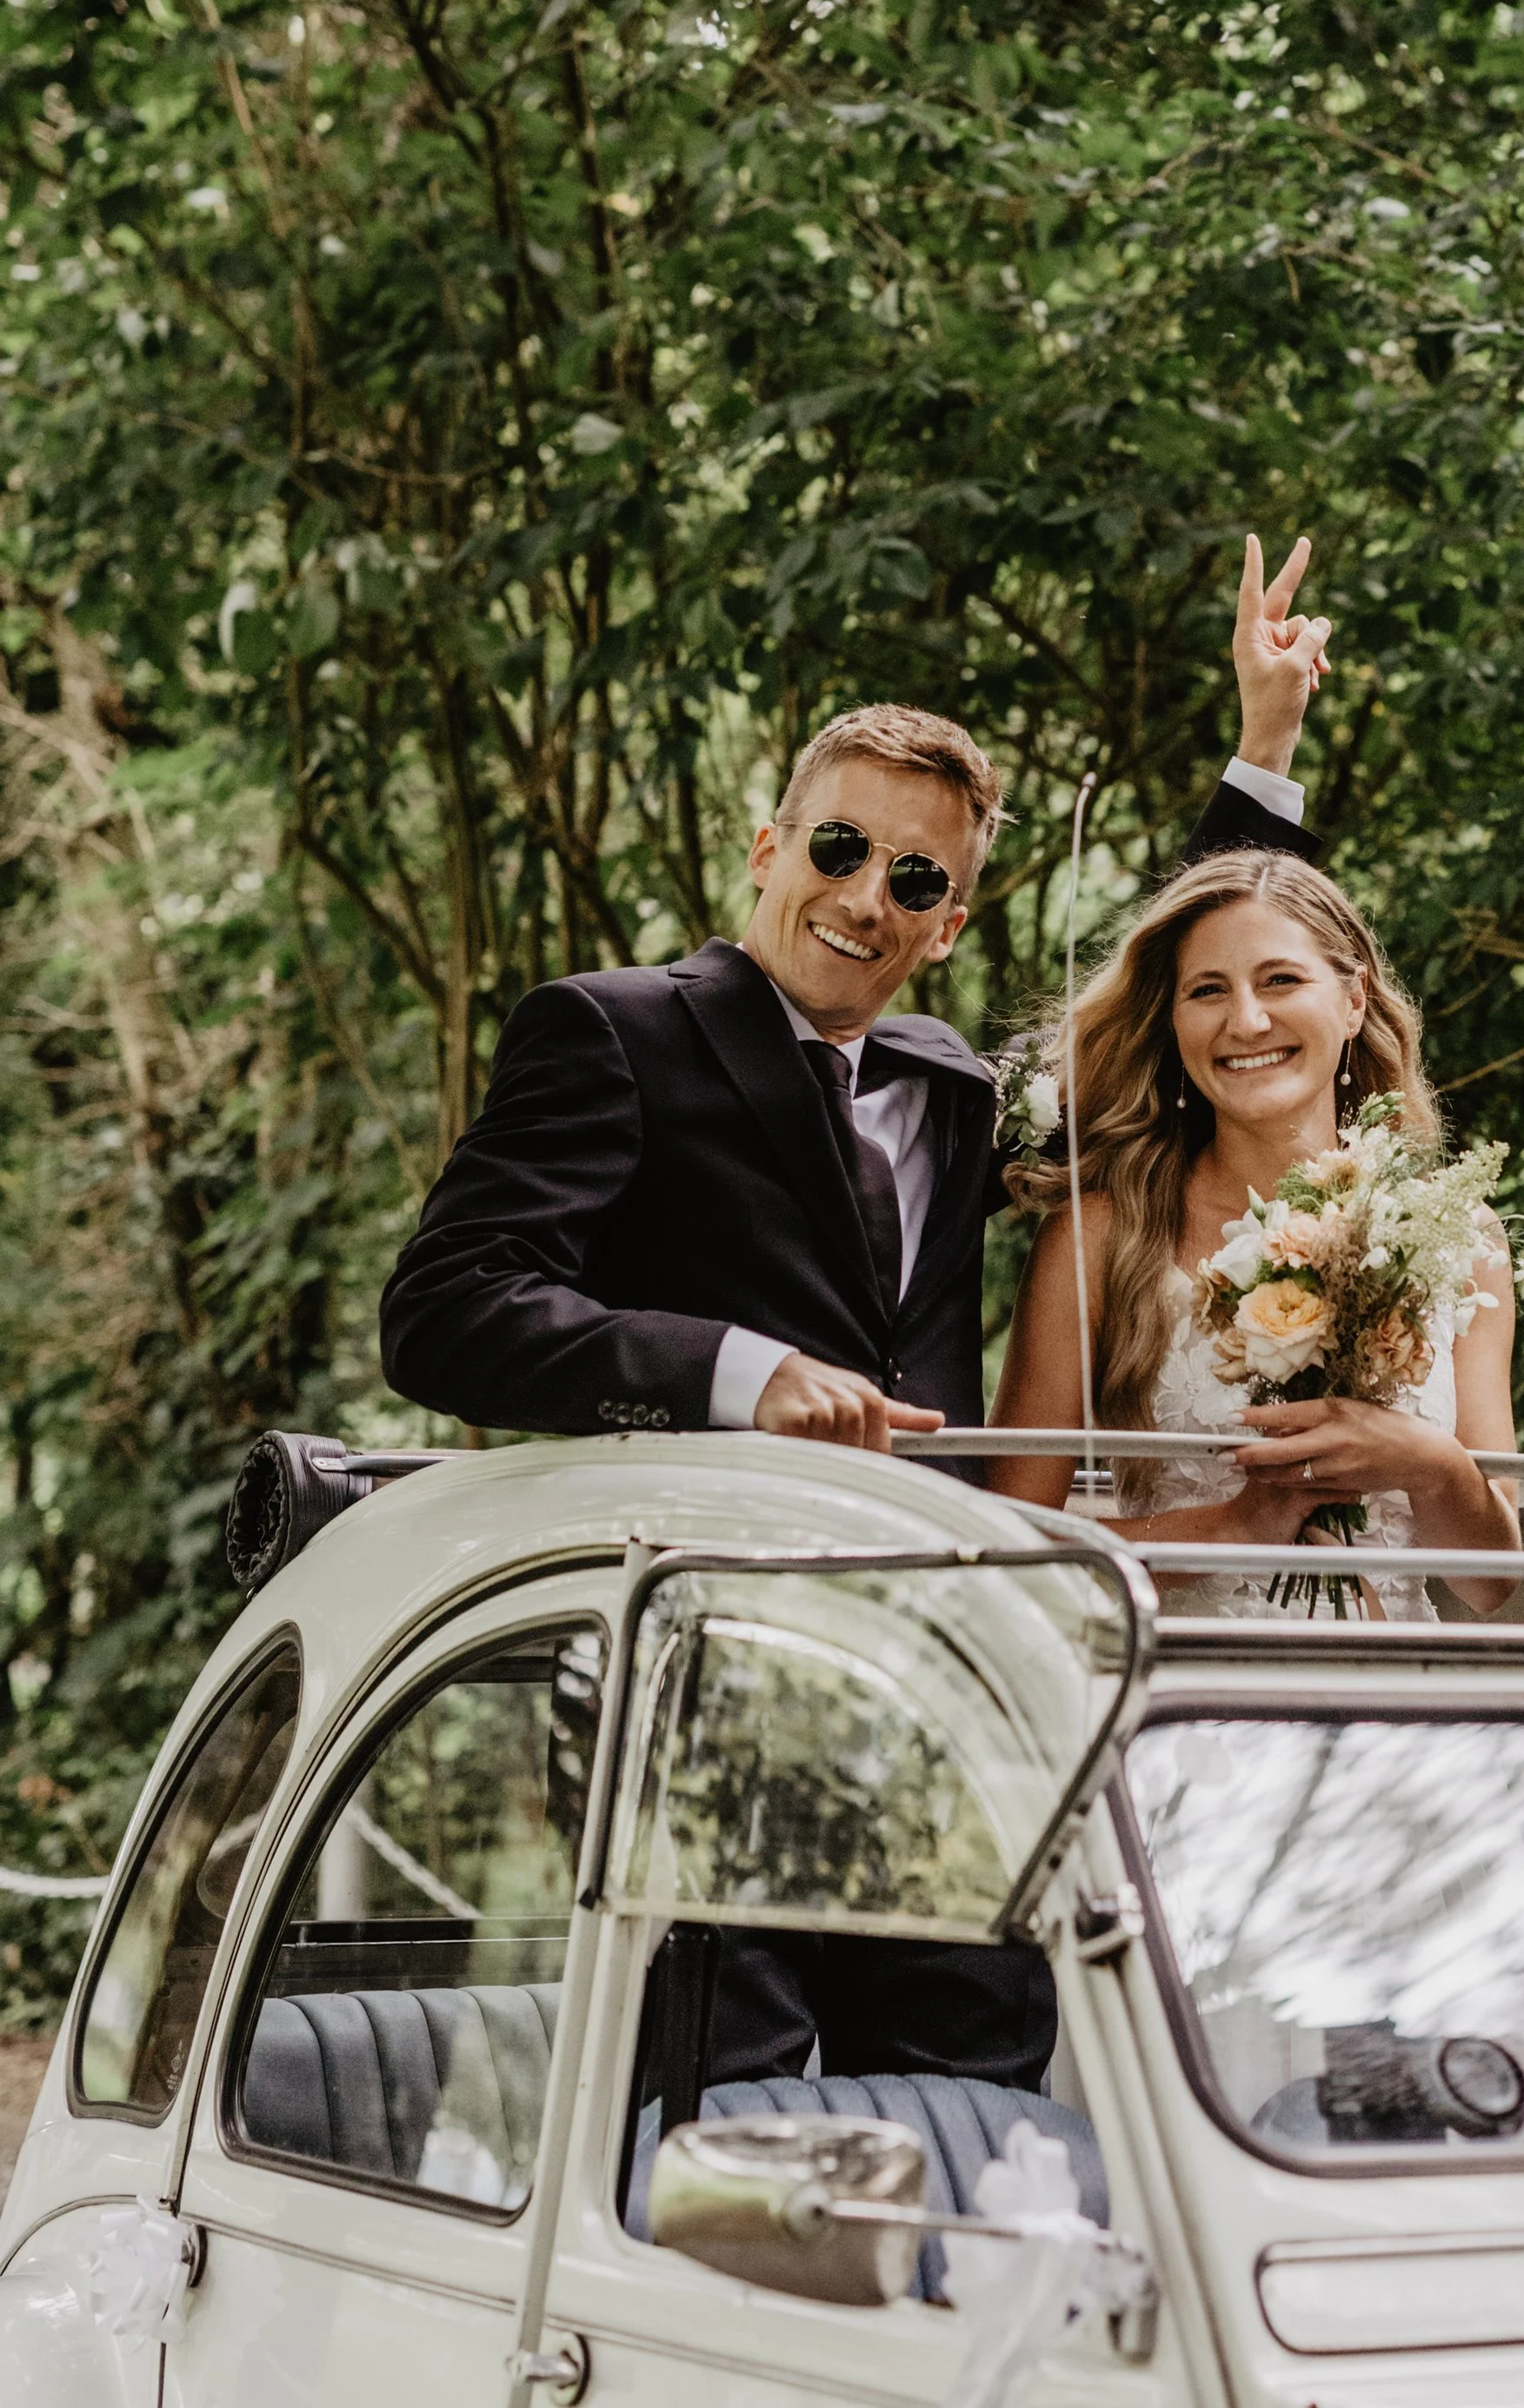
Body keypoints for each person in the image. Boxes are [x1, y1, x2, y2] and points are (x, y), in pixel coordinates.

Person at [376, 537, 1332, 2100]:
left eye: (912, 880)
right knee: (719, 2121)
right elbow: (446, 1314)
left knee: (976, 2092)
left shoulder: (953, 1086)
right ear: (769, 844)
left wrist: (1264, 749)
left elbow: (1166, 1011)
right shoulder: (614, 1034)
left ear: (947, 920)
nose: (860, 897)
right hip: (694, 1666)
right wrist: (735, 1378)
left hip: (935, 1675)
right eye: (836, 848)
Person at [988, 851, 1521, 1619]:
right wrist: (1231, 1527)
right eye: (1208, 991)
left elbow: (1491, 1582)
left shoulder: (1458, 1240)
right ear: (1174, 1023)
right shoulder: (1101, 1235)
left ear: (1354, 1001)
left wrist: (1432, 1465)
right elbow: (1014, 1545)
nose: (1246, 1021)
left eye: (1280, 981)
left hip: (1395, 1698)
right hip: (1187, 1696)